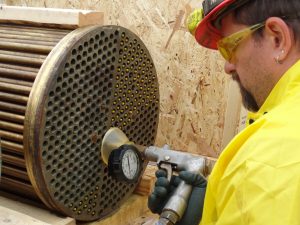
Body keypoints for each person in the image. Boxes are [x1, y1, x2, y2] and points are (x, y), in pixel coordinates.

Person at [148, 0, 300, 224]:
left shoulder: (266, 163)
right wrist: (210, 207)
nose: (227, 66)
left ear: (277, 38)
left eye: (229, 47)